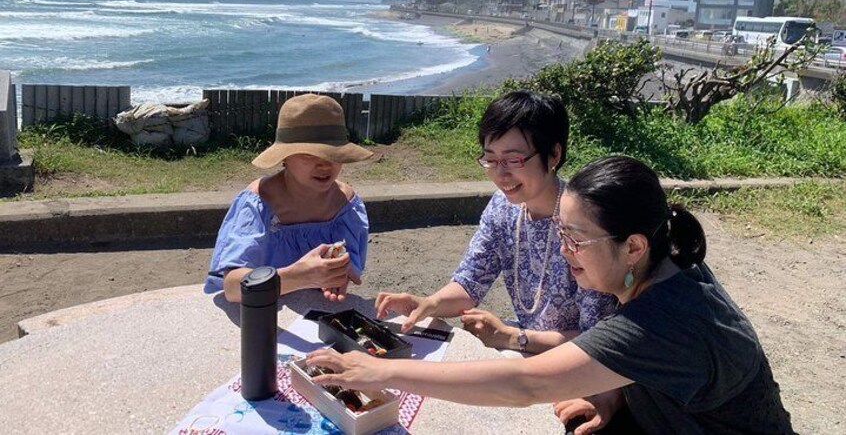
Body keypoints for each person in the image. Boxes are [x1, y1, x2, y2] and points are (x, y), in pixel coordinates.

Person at [307, 156, 794, 434]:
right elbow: (658, 371)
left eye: (577, 240)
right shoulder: (670, 261)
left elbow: (525, 385)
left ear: (634, 246)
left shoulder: (661, 318)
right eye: (561, 233)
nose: (564, 252)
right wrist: (615, 396)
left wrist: (378, 370)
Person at [375, 90, 615, 354]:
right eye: (490, 159)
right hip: (528, 352)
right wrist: (428, 303)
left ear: (554, 155)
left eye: (514, 159)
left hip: (582, 367)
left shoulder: (585, 223)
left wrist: (512, 337)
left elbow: (598, 340)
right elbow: (470, 282)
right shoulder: (503, 207)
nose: (501, 174)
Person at [204, 93, 373, 304]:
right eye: (309, 155)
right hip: (262, 314)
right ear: (285, 157)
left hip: (318, 313)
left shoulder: (346, 206)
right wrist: (296, 277)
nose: (324, 165)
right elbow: (232, 288)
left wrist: (338, 272)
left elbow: (351, 270)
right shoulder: (258, 204)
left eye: (333, 154)